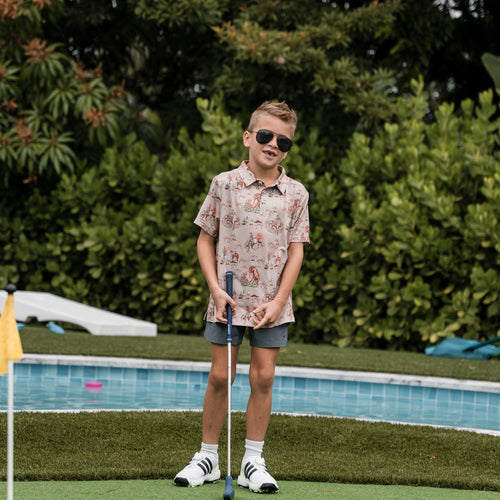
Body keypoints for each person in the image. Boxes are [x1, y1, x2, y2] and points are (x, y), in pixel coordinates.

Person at [174, 101, 310, 494]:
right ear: (248, 137)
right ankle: (207, 458)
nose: (273, 144)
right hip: (227, 301)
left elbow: (296, 251)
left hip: (272, 304)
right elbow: (205, 239)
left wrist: (280, 300)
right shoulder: (224, 184)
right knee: (221, 376)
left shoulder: (296, 193)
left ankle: (253, 461)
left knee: (263, 377)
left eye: (283, 141)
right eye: (266, 135)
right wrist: (215, 289)